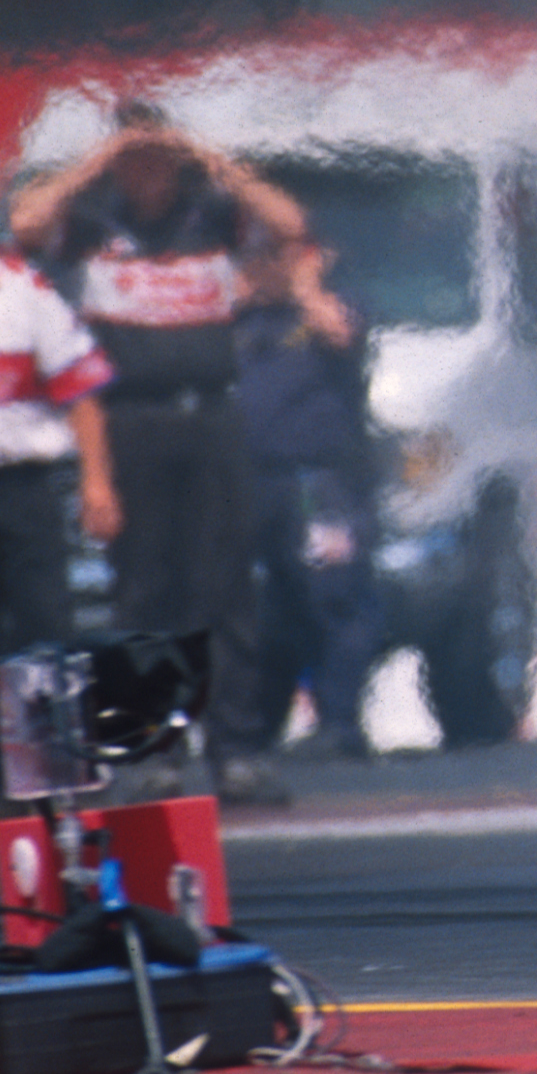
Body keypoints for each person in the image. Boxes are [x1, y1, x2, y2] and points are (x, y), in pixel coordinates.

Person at [11, 100, 307, 790]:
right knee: (145, 589)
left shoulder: (208, 215)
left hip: (209, 413)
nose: (150, 177)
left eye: (159, 162)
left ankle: (234, 747)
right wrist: (98, 163)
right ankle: (153, 748)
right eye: (136, 163)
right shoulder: (92, 224)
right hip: (130, 418)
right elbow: (25, 223)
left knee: (225, 584)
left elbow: (289, 223)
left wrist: (203, 154)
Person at [235, 234, 385, 759]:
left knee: (335, 596)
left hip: (315, 483)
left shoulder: (329, 310)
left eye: (268, 255)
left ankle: (340, 720)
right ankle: (255, 724)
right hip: (253, 482)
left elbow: (340, 332)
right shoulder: (244, 323)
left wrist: (303, 281)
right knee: (266, 607)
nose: (256, 267)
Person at [0, 247, 118, 656]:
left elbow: (83, 394)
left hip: (21, 489)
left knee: (45, 632)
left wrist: (97, 484)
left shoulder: (23, 286)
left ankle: (45, 720)